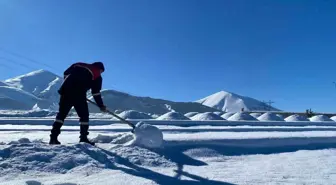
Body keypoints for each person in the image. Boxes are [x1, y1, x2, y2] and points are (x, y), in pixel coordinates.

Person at [49, 62, 107, 145]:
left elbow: (65, 73)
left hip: (65, 92)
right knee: (84, 116)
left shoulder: (78, 65)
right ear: (100, 69)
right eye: (101, 71)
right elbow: (96, 93)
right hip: (79, 95)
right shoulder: (97, 76)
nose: (101, 73)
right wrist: (101, 105)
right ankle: (83, 138)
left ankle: (53, 138)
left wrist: (70, 85)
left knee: (61, 115)